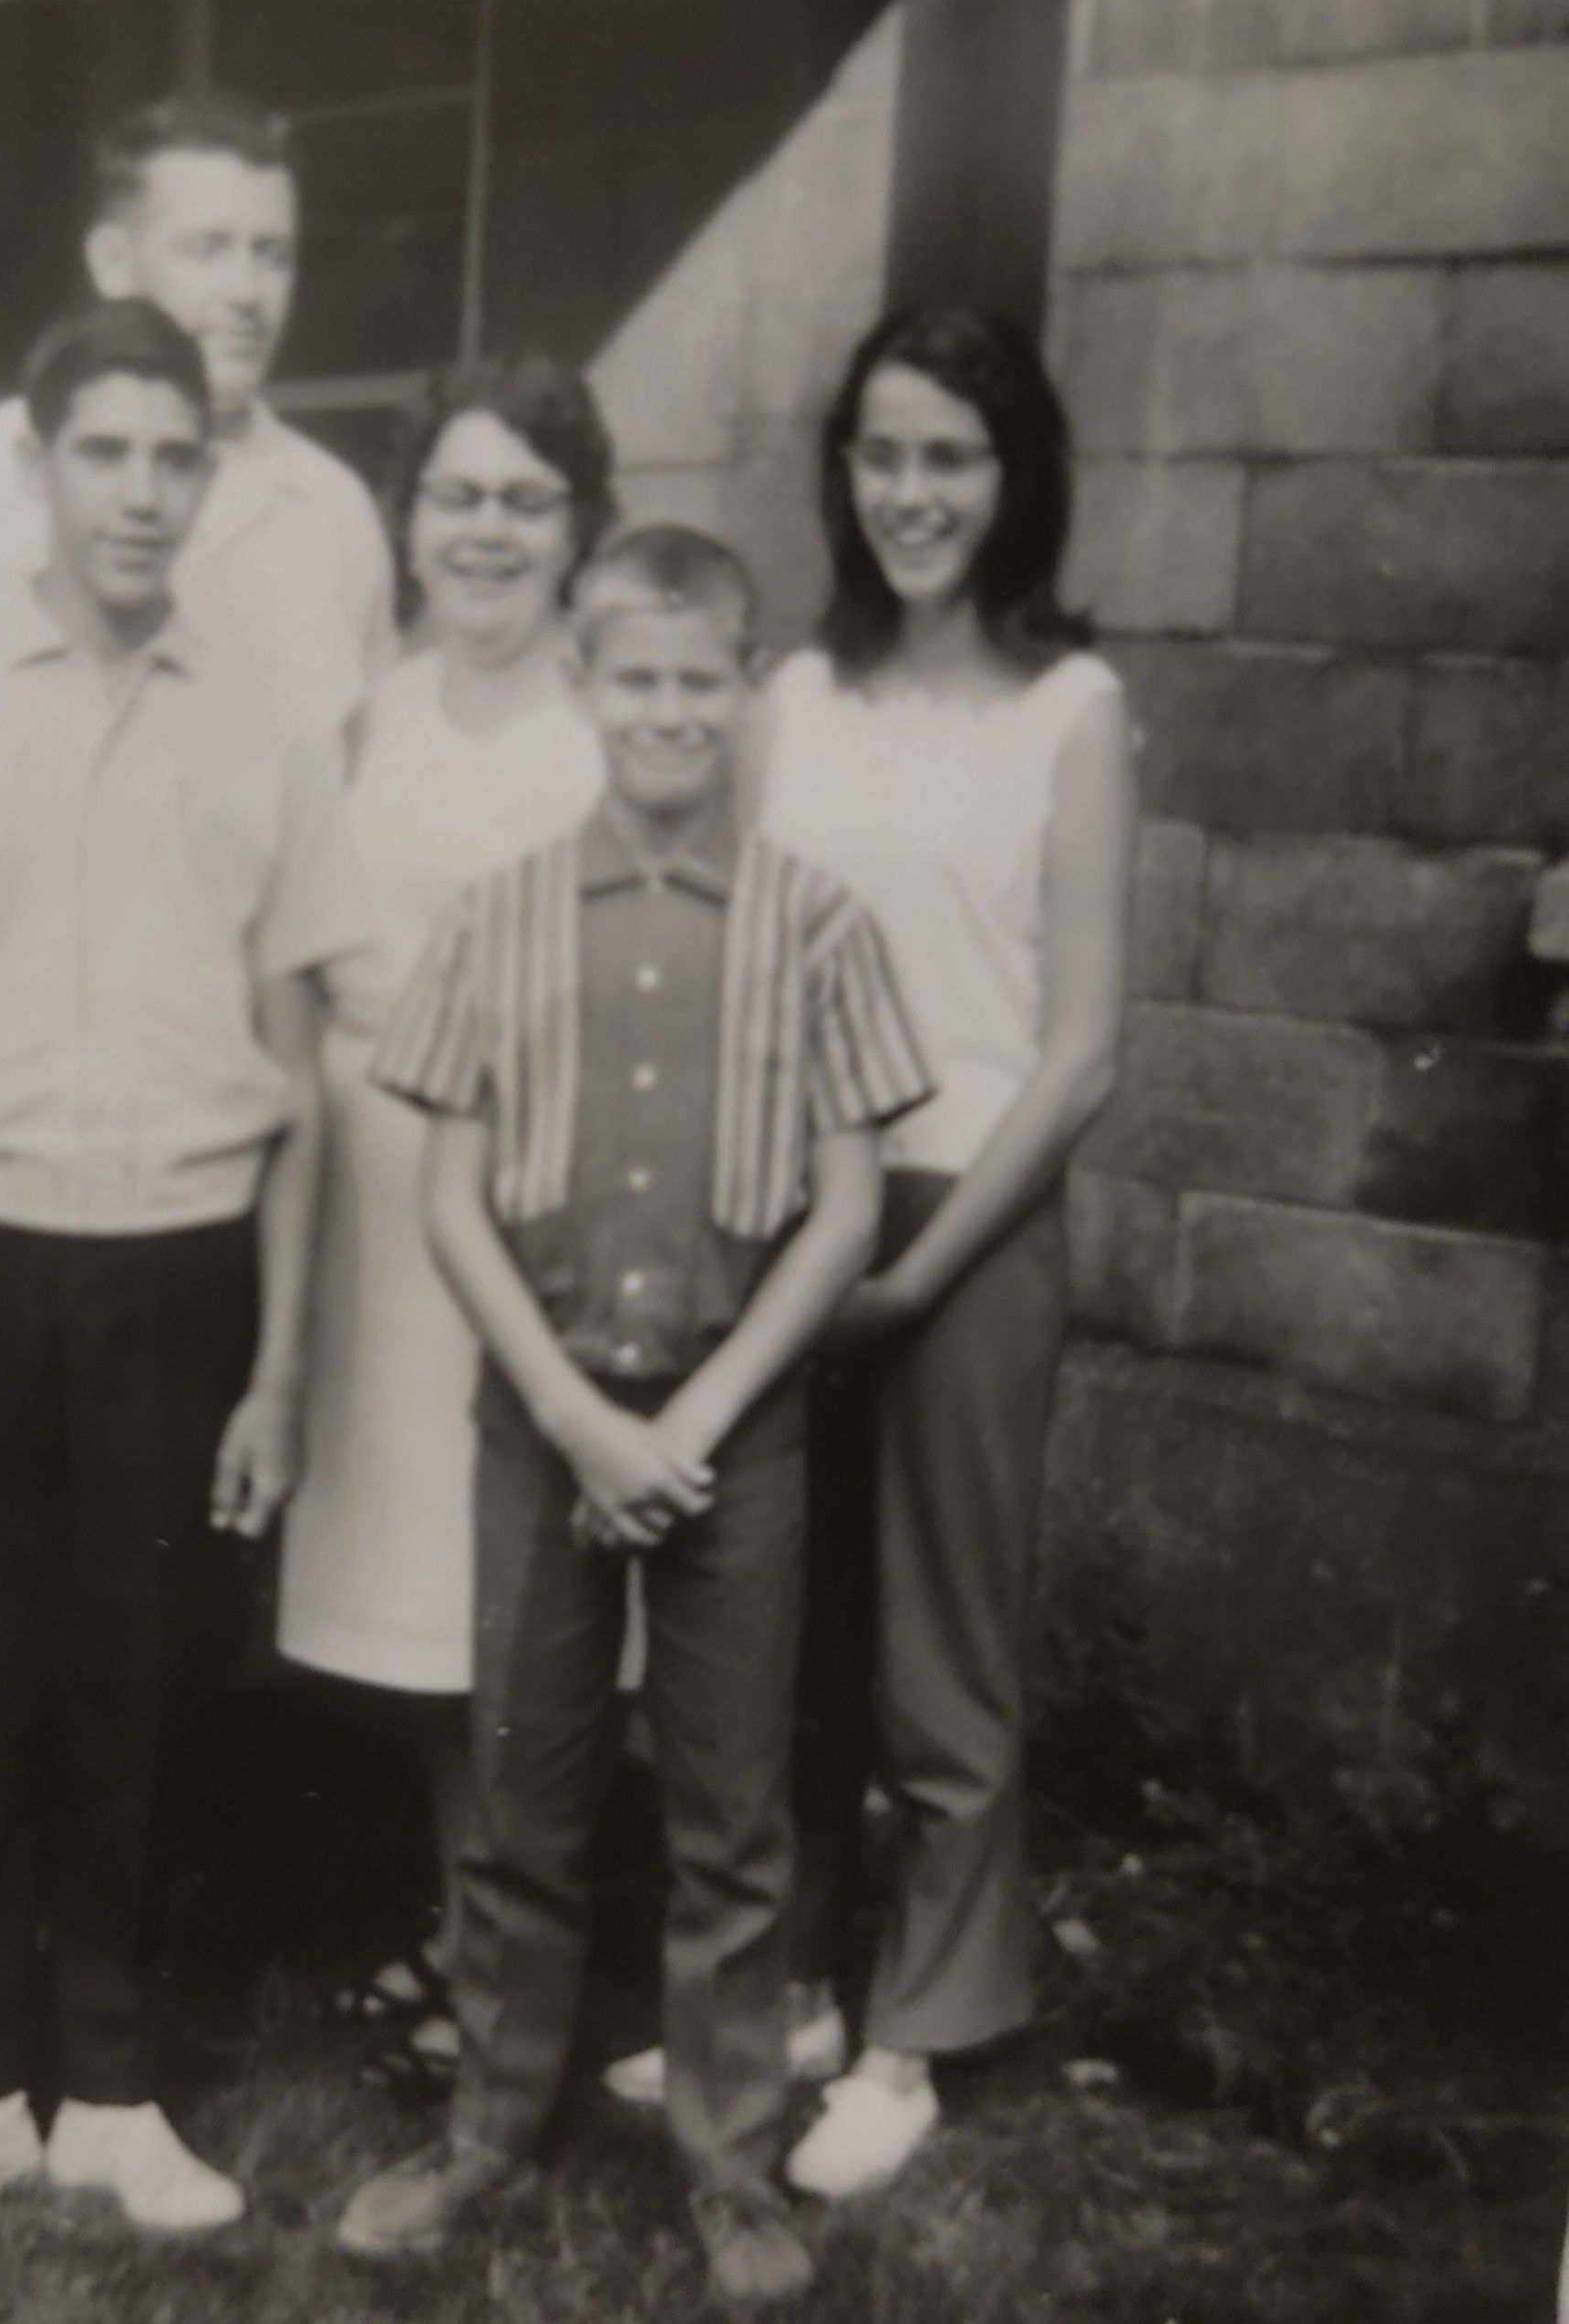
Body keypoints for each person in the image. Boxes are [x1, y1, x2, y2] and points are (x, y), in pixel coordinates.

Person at [0, 299, 369, 2243]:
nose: (135, 489)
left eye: (169, 453)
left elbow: (298, 1083)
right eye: (98, 451)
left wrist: (279, 1368)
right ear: (31, 470)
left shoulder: (264, 723)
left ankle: (108, 2085)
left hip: (178, 1264)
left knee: (142, 1679)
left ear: (207, 473)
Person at [335, 528, 932, 2307]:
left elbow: (843, 1206)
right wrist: (576, 1419)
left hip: (733, 1428)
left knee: (731, 1809)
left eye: (700, 678)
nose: (667, 709)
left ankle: (731, 2160)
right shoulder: (500, 909)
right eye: (635, 677)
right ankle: (487, 2126)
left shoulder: (815, 922)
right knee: (522, 1790)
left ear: (744, 691)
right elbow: (445, 1199)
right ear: (583, 688)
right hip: (540, 1415)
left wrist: (703, 1413)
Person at [757, 307, 1137, 2201]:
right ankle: (799, 1993)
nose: (911, 494)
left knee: (937, 1646)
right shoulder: (792, 695)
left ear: (1013, 478)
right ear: (843, 469)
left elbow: (1074, 1051)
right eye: (882, 454)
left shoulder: (1070, 711)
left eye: (951, 458)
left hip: (965, 1206)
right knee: (788, 1618)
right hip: (792, 1196)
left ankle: (914, 2028)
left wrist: (914, 1272)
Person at [276, 356, 617, 2085]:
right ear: (407, 524)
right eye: (457, 497)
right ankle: (468, 1932)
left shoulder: (607, 729)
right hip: (367, 1221)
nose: (487, 531)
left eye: (526, 500)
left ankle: (530, 1971)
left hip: (532, 1211)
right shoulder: (367, 719)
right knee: (416, 1606)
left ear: (580, 531)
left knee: (529, 1606)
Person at [0, 88, 396, 736]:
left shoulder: (334, 512)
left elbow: (364, 781)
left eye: (273, 256)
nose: (247, 293)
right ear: (113, 262)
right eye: (208, 249)